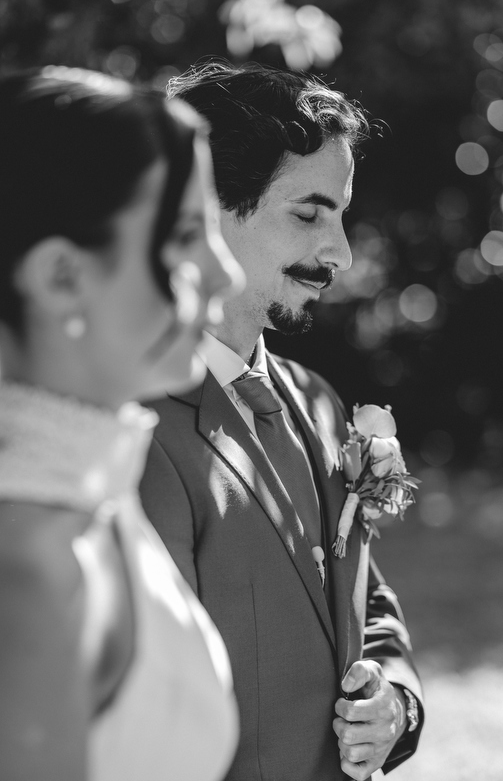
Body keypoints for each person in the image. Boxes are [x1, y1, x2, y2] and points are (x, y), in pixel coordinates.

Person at [140, 60, 424, 781]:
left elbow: (370, 603)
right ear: (207, 208)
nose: (341, 253)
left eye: (341, 214)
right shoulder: (137, 431)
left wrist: (397, 704)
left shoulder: (319, 401)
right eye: (308, 214)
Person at [0, 66, 245, 780]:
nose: (224, 273)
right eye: (185, 235)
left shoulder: (89, 493)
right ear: (60, 276)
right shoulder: (29, 571)